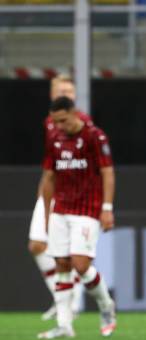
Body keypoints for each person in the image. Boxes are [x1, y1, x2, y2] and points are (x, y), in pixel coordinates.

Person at [37, 96, 118, 339]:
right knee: (61, 263)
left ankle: (106, 306)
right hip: (61, 209)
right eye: (55, 122)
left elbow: (107, 173)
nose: (59, 126)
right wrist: (46, 212)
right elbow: (49, 176)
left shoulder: (95, 136)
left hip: (87, 209)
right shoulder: (54, 137)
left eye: (62, 120)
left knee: (81, 265)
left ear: (74, 113)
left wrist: (106, 207)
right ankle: (64, 324)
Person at [30, 74, 88, 321]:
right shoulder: (49, 123)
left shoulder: (83, 124)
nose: (66, 93)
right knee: (37, 245)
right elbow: (51, 164)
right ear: (52, 95)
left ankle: (70, 302)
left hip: (74, 197)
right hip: (52, 190)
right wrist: (44, 189)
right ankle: (63, 298)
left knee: (71, 254)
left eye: (70, 90)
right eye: (61, 89)